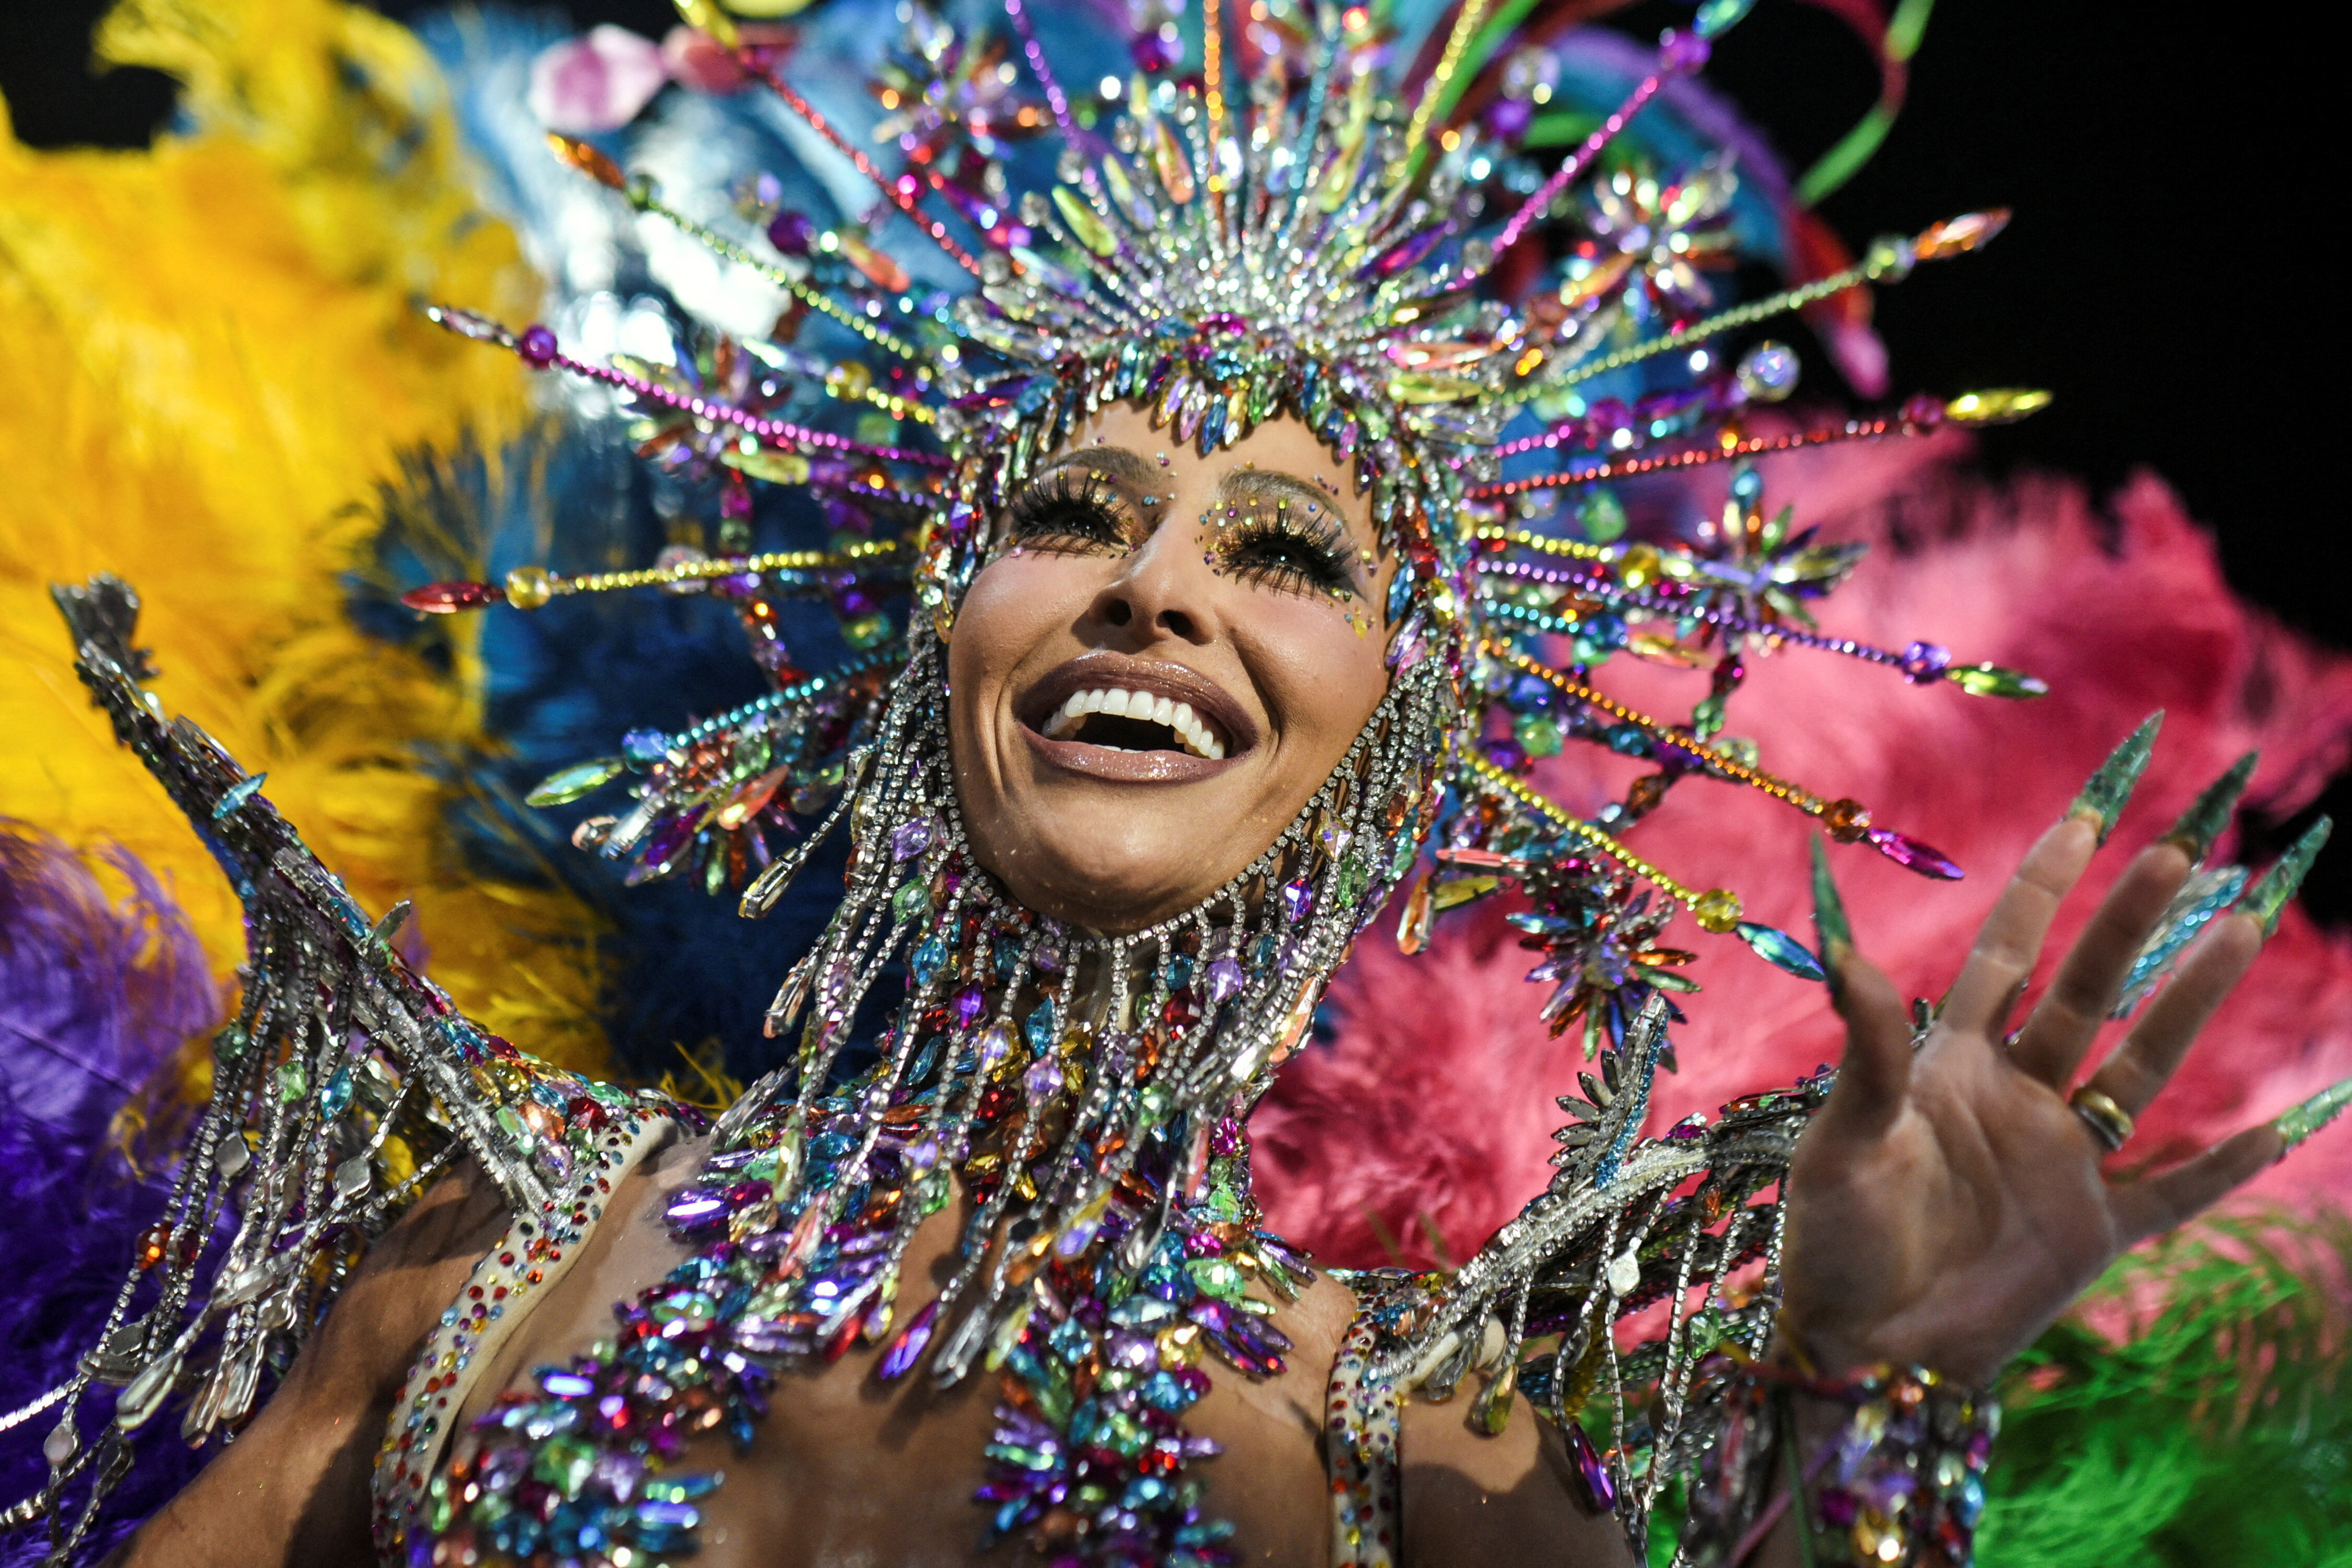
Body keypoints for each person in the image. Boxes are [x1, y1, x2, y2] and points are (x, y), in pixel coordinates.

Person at [13, 2, 2342, 1565]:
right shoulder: (469, 1272)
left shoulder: (1403, 1453)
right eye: (1066, 511)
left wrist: (1868, 1396)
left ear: (1399, 731)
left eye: (1289, 553)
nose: (1151, 587)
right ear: (935, 627)